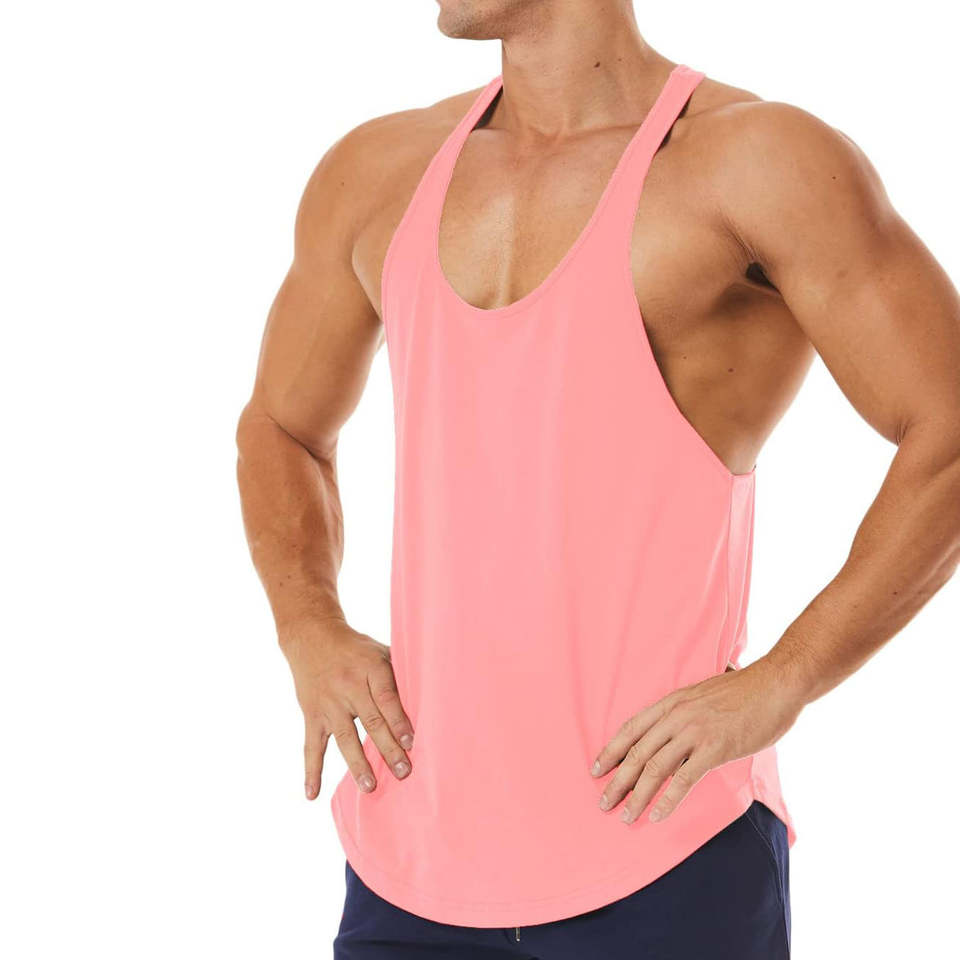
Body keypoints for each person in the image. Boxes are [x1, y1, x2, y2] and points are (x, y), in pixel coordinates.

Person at [236, 1, 960, 956]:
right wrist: (308, 626)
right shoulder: (376, 171)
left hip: (664, 850)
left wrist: (783, 682)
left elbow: (948, 429)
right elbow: (281, 426)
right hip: (412, 865)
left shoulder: (756, 163)